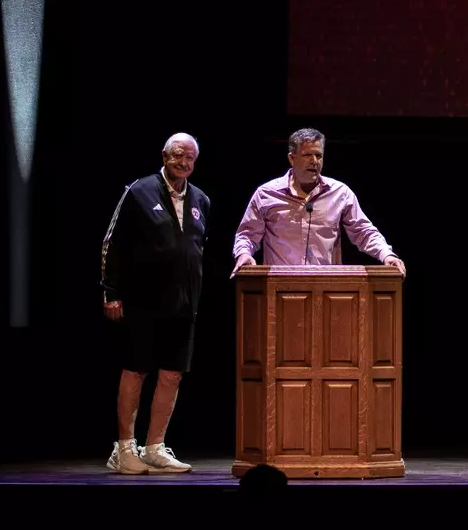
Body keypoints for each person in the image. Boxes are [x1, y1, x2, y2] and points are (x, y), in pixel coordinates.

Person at [100, 132, 212, 474]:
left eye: (190, 157)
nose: (184, 162)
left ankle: (154, 447)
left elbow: (196, 249)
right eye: (178, 155)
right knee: (136, 370)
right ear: (164, 156)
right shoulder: (139, 191)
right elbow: (112, 243)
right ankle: (123, 449)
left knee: (172, 373)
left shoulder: (201, 199)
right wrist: (111, 292)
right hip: (143, 301)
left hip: (184, 304)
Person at [232, 128, 405, 277]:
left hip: (326, 287)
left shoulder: (340, 193)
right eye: (307, 155)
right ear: (292, 158)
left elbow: (363, 231)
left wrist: (386, 254)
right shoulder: (266, 194)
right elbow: (247, 234)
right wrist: (243, 254)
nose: (314, 161)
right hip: (279, 286)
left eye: (318, 155)